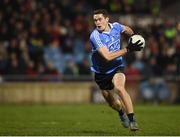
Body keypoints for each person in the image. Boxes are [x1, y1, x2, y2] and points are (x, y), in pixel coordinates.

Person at [89, 9, 143, 131]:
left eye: (100, 19)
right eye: (95, 20)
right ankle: (121, 112)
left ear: (107, 19)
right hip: (101, 73)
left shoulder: (116, 26)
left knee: (119, 88)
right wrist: (128, 49)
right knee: (113, 103)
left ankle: (132, 120)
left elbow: (127, 29)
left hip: (117, 67)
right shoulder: (95, 36)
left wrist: (134, 37)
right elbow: (107, 57)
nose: (97, 22)